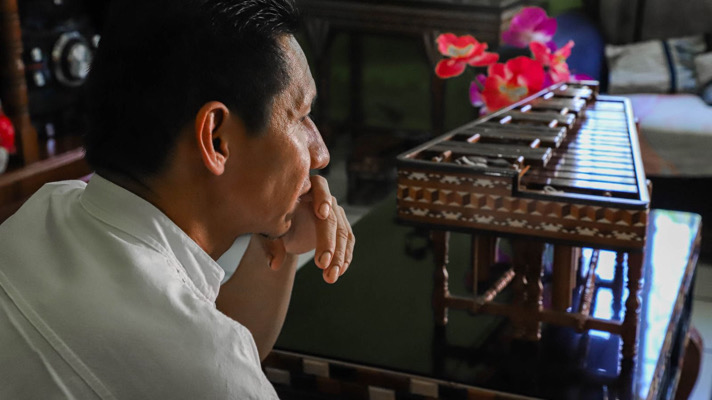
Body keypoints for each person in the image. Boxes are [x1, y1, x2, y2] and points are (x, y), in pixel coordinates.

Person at [0, 0, 354, 398]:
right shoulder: (209, 373)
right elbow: (216, 367)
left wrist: (283, 239)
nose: (320, 152)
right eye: (301, 115)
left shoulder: (45, 208)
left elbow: (223, 344)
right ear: (216, 138)